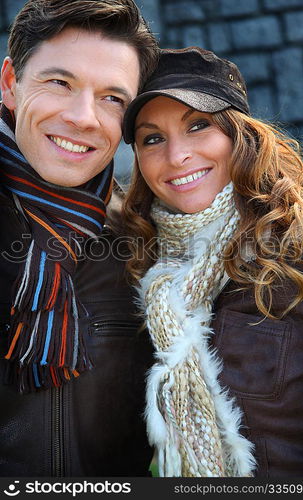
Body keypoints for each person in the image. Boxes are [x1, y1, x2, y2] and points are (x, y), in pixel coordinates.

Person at [121, 47, 303, 477]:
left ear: (239, 134)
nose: (177, 157)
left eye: (198, 126)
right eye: (152, 138)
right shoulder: (140, 265)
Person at [0, 0, 159, 476]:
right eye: (59, 83)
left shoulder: (140, 241)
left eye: (113, 98)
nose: (84, 117)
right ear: (10, 84)